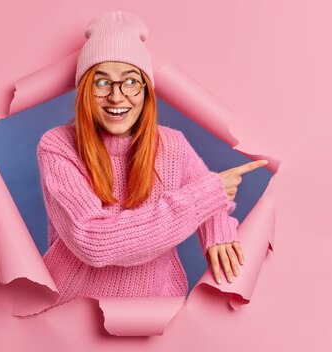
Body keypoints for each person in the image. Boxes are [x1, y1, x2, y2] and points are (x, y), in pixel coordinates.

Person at [36, 10, 268, 309]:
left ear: (146, 91)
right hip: (71, 312)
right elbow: (94, 241)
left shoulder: (172, 144)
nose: (117, 97)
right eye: (102, 83)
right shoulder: (58, 146)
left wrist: (218, 230)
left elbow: (209, 198)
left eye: (130, 81)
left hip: (154, 310)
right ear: (84, 91)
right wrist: (206, 198)